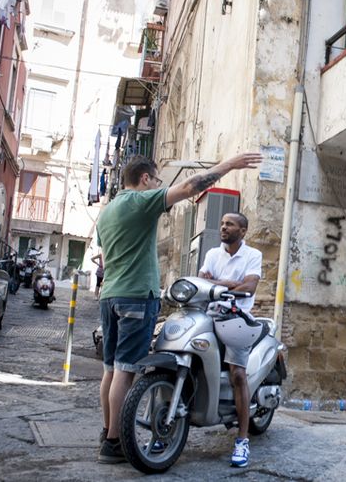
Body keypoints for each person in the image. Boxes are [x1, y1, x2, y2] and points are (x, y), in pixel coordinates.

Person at [95, 152, 262, 464]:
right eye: (157, 180)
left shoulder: (108, 211)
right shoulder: (138, 201)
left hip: (110, 295)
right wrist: (229, 165)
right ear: (145, 179)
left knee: (110, 369)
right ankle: (115, 442)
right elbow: (189, 186)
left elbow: (104, 258)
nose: (159, 186)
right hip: (135, 295)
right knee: (125, 370)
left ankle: (107, 432)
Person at [198, 212, 262, 468]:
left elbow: (249, 288)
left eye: (230, 224)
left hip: (237, 318)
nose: (223, 227)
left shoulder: (252, 255)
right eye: (222, 223)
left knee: (237, 374)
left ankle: (242, 439)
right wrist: (229, 283)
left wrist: (218, 284)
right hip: (210, 315)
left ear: (243, 231)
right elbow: (202, 281)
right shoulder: (213, 254)